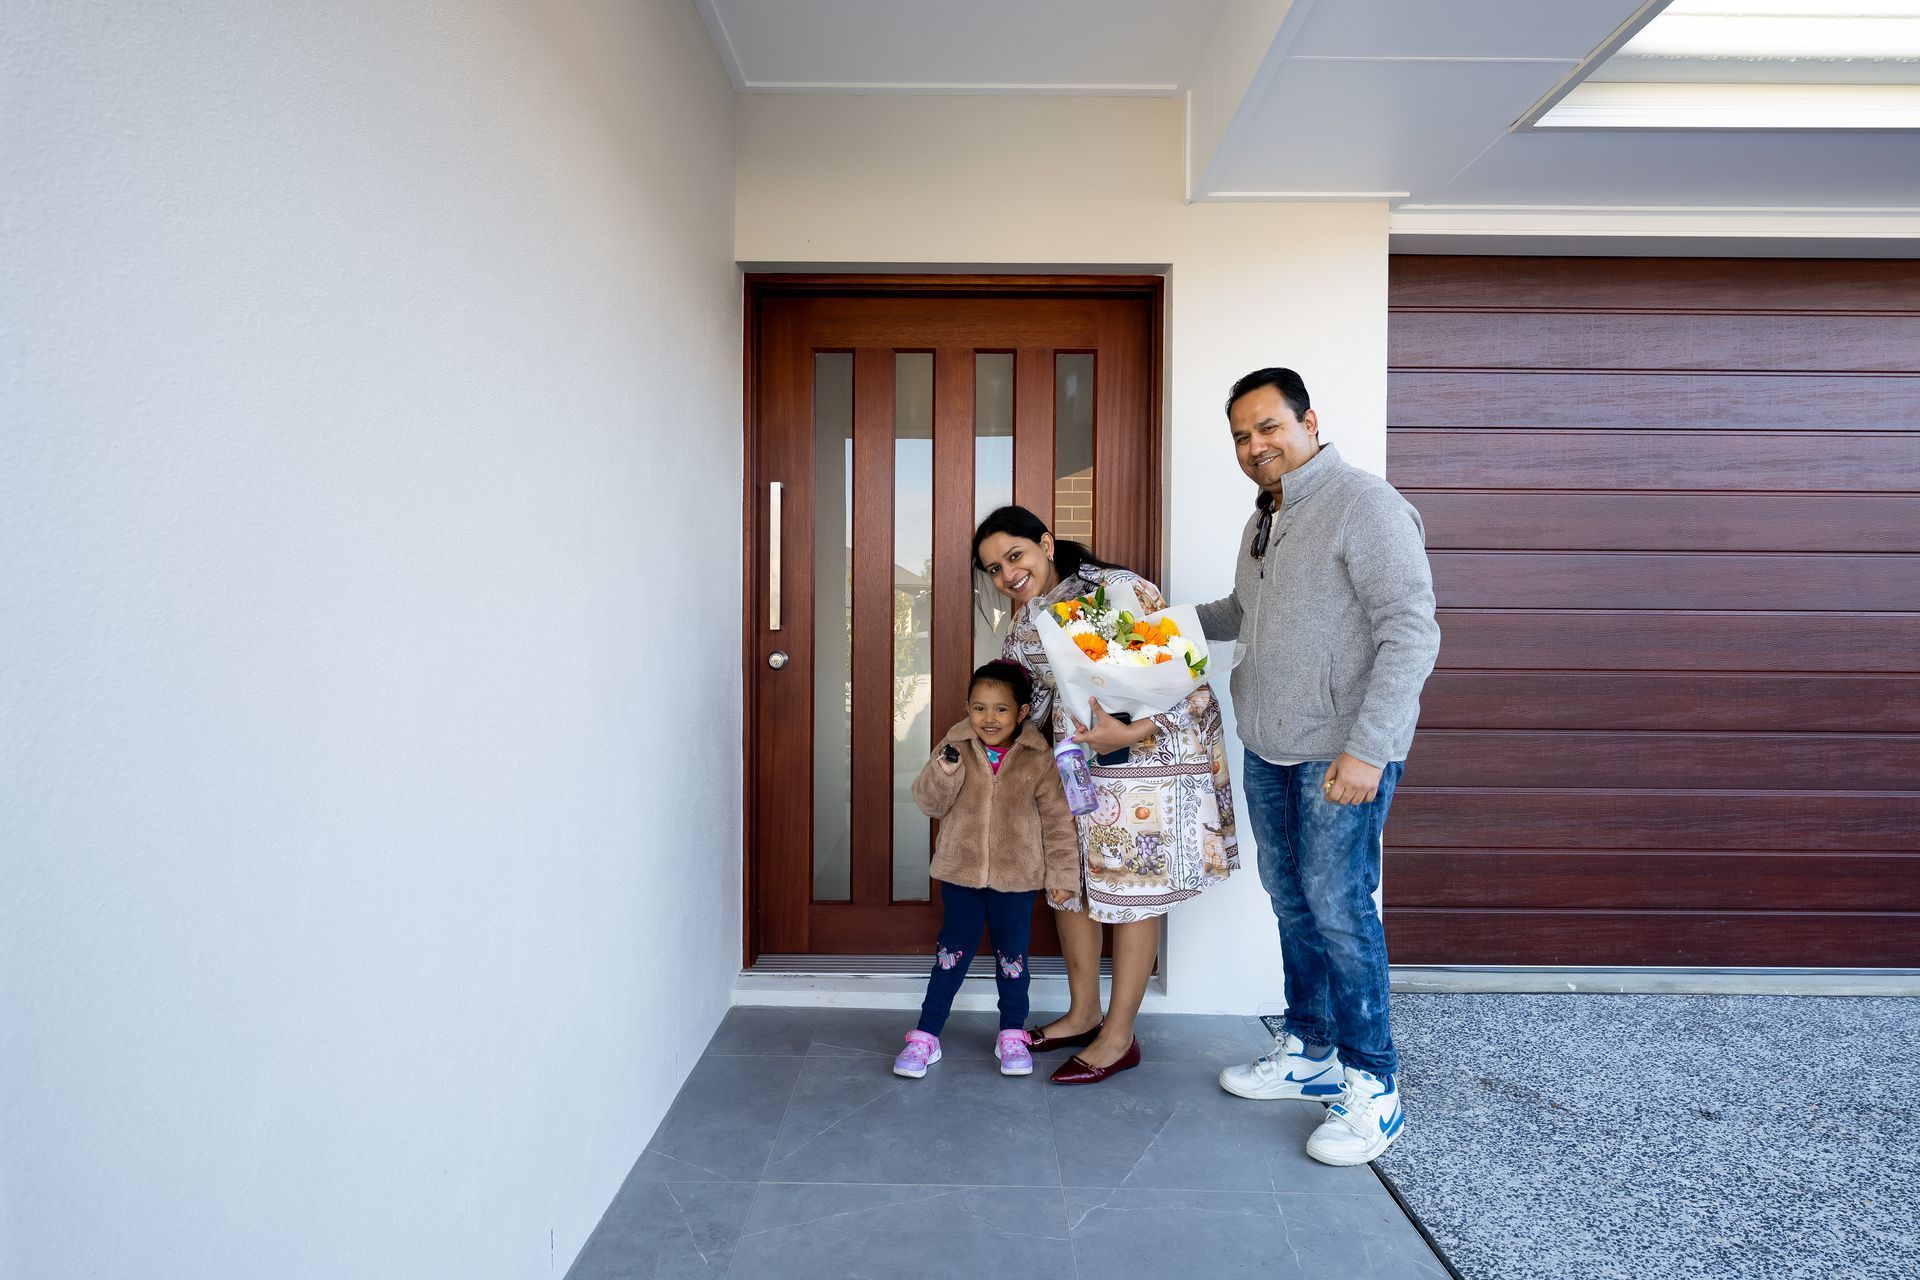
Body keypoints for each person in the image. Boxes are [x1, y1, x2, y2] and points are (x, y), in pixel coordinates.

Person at [1196, 367, 1440, 1166]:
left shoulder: (1365, 505)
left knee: (1339, 909)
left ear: (1307, 421)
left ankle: (1375, 1084)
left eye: (1267, 427)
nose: (1254, 445)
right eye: (1240, 435)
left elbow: (1411, 630)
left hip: (1342, 752)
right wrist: (1153, 623)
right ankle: (1308, 1050)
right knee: (1293, 902)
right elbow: (1243, 612)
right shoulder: (1265, 517)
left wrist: (1368, 749)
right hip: (1269, 745)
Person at [975, 507, 1238, 1085]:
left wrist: (1131, 732)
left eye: (1014, 556)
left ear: (1045, 543)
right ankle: (1083, 1013)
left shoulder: (1114, 591)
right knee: (1071, 886)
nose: (1008, 574)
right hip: (1076, 772)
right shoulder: (1024, 622)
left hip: (1143, 767)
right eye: (994, 569)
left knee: (1130, 891)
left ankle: (1118, 1038)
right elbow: (1033, 705)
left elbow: (1182, 676)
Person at [894, 660, 1080, 1080]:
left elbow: (1058, 821)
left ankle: (1012, 1032)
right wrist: (946, 771)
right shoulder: (954, 746)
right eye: (979, 708)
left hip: (1015, 880)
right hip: (961, 875)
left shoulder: (1038, 758)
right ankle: (926, 1034)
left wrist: (1063, 877)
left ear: (1022, 712)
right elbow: (928, 803)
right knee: (950, 955)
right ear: (967, 708)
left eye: (1000, 709)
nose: (988, 718)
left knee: (1012, 957)